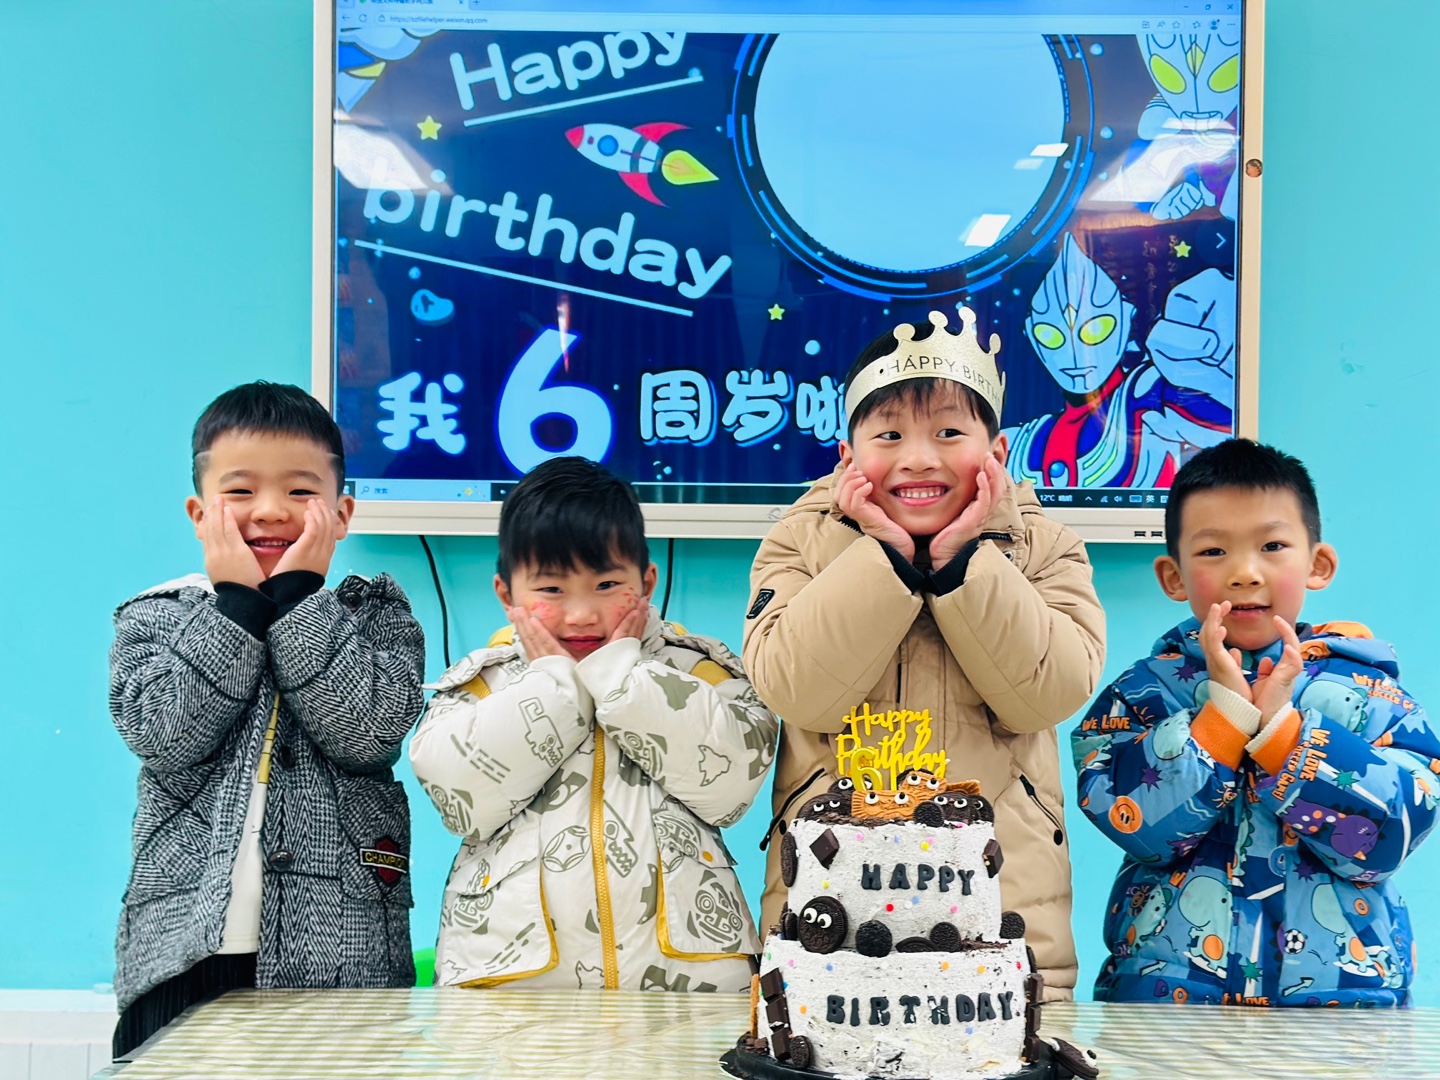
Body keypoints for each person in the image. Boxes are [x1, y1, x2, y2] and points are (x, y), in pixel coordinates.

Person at [743, 309, 1106, 1000]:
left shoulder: (1047, 548)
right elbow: (795, 690)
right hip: (828, 929)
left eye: (948, 432)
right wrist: (881, 556)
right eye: (889, 435)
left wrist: (963, 559)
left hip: (1005, 925)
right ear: (848, 457)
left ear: (997, 451)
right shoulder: (799, 544)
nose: (918, 458)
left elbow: (1050, 691)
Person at [110, 382, 426, 1056]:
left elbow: (366, 732)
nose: (271, 510)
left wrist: (301, 600)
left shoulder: (377, 617)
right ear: (200, 514)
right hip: (182, 956)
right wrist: (237, 607)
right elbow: (165, 735)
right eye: (241, 490)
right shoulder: (156, 618)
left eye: (300, 491)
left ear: (341, 513)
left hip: (347, 958)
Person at [1074, 438, 1439, 1006]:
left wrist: (1285, 738)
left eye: (1272, 545)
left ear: (1317, 565)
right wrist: (1222, 719)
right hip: (1169, 1002)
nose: (1245, 572)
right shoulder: (1142, 693)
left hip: (1342, 1008)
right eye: (1213, 551)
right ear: (1173, 577)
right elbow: (1135, 827)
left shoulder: (1371, 694)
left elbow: (1393, 835)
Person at [411, 456, 778, 992]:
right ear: (506, 594)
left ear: (646, 582)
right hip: (514, 985)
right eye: (551, 590)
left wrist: (623, 677)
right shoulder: (481, 683)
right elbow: (460, 801)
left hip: (687, 977)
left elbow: (730, 789)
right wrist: (553, 687)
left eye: (607, 584)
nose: (581, 613)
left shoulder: (696, 669)